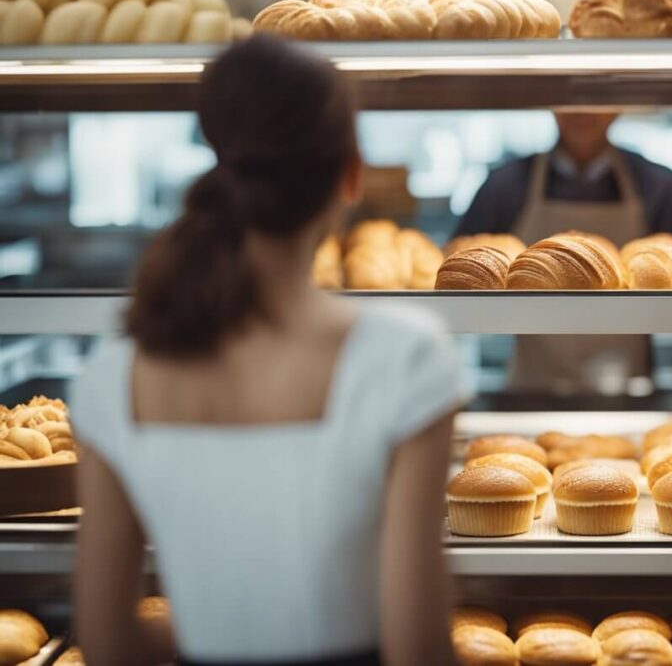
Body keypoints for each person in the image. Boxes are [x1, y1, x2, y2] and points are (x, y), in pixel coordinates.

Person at [70, 36, 463, 666]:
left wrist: (211, 630)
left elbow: (108, 642)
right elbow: (415, 647)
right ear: (351, 175)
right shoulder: (406, 360)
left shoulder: (112, 380)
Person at [454, 112, 672, 394]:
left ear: (618, 107)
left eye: (597, 101)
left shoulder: (657, 184)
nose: (581, 111)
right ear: (551, 105)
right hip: (532, 386)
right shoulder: (505, 184)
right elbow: (460, 273)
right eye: (568, 100)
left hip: (629, 387)